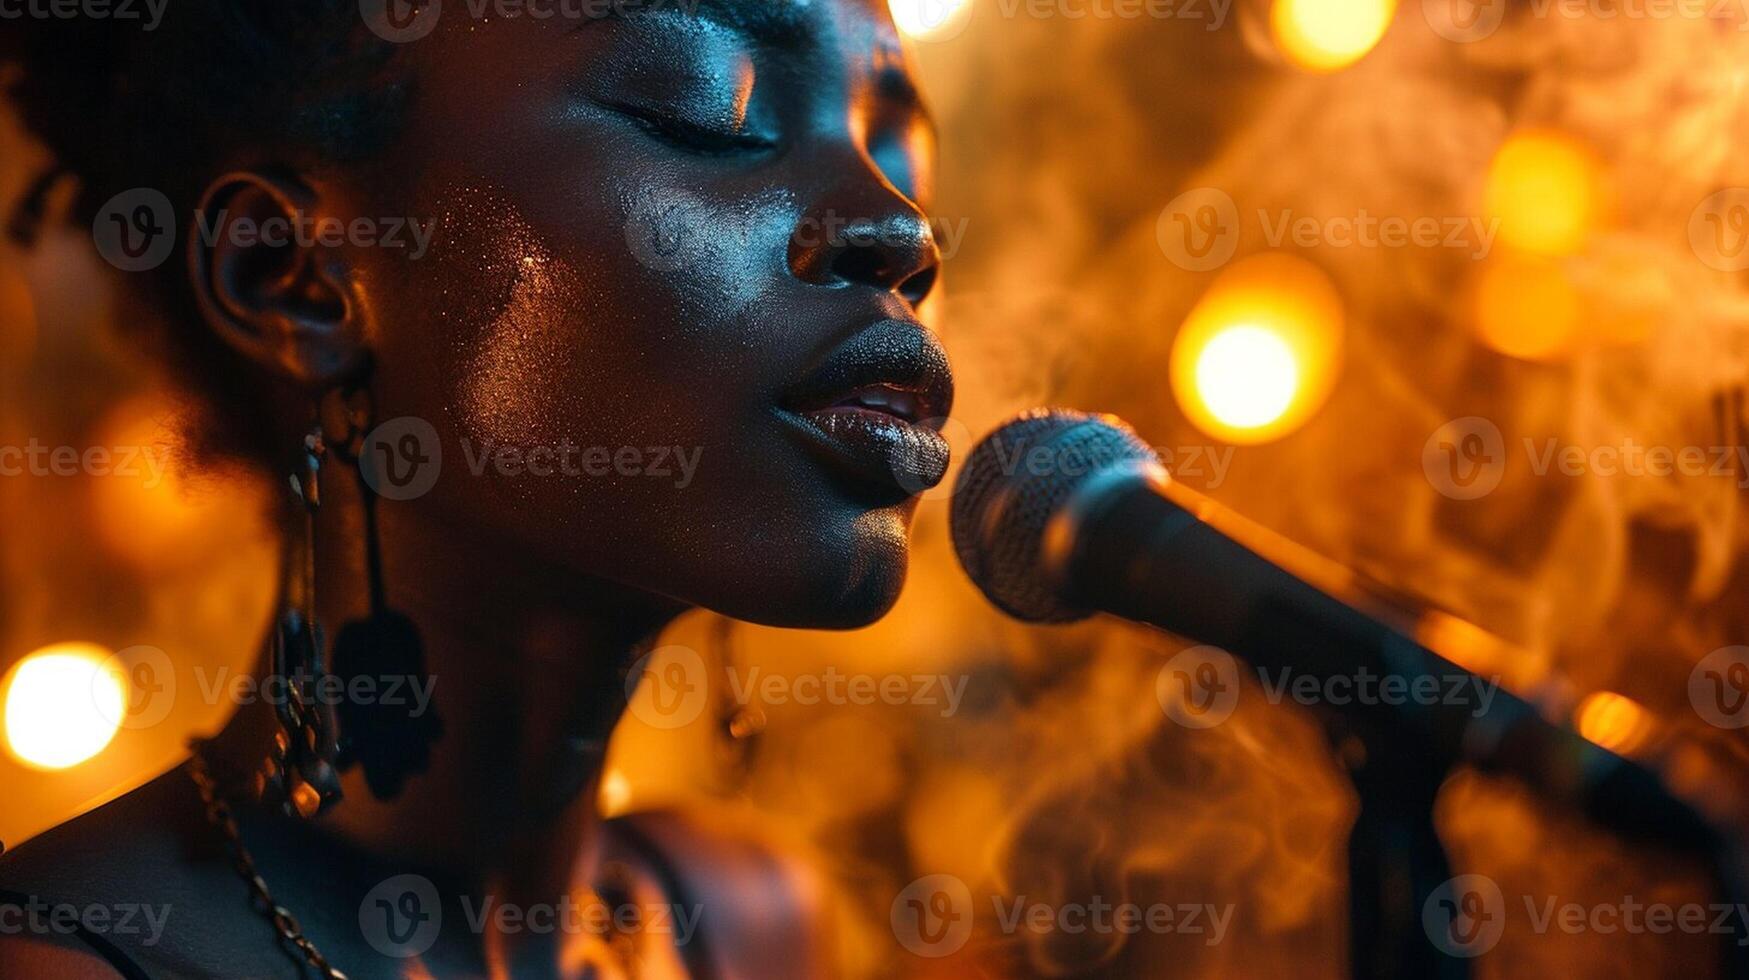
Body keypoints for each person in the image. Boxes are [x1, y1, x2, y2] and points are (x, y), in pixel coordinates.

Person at [0, 1, 950, 975]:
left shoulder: (753, 926)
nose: (902, 229)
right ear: (290, 277)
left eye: (899, 150)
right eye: (707, 108)